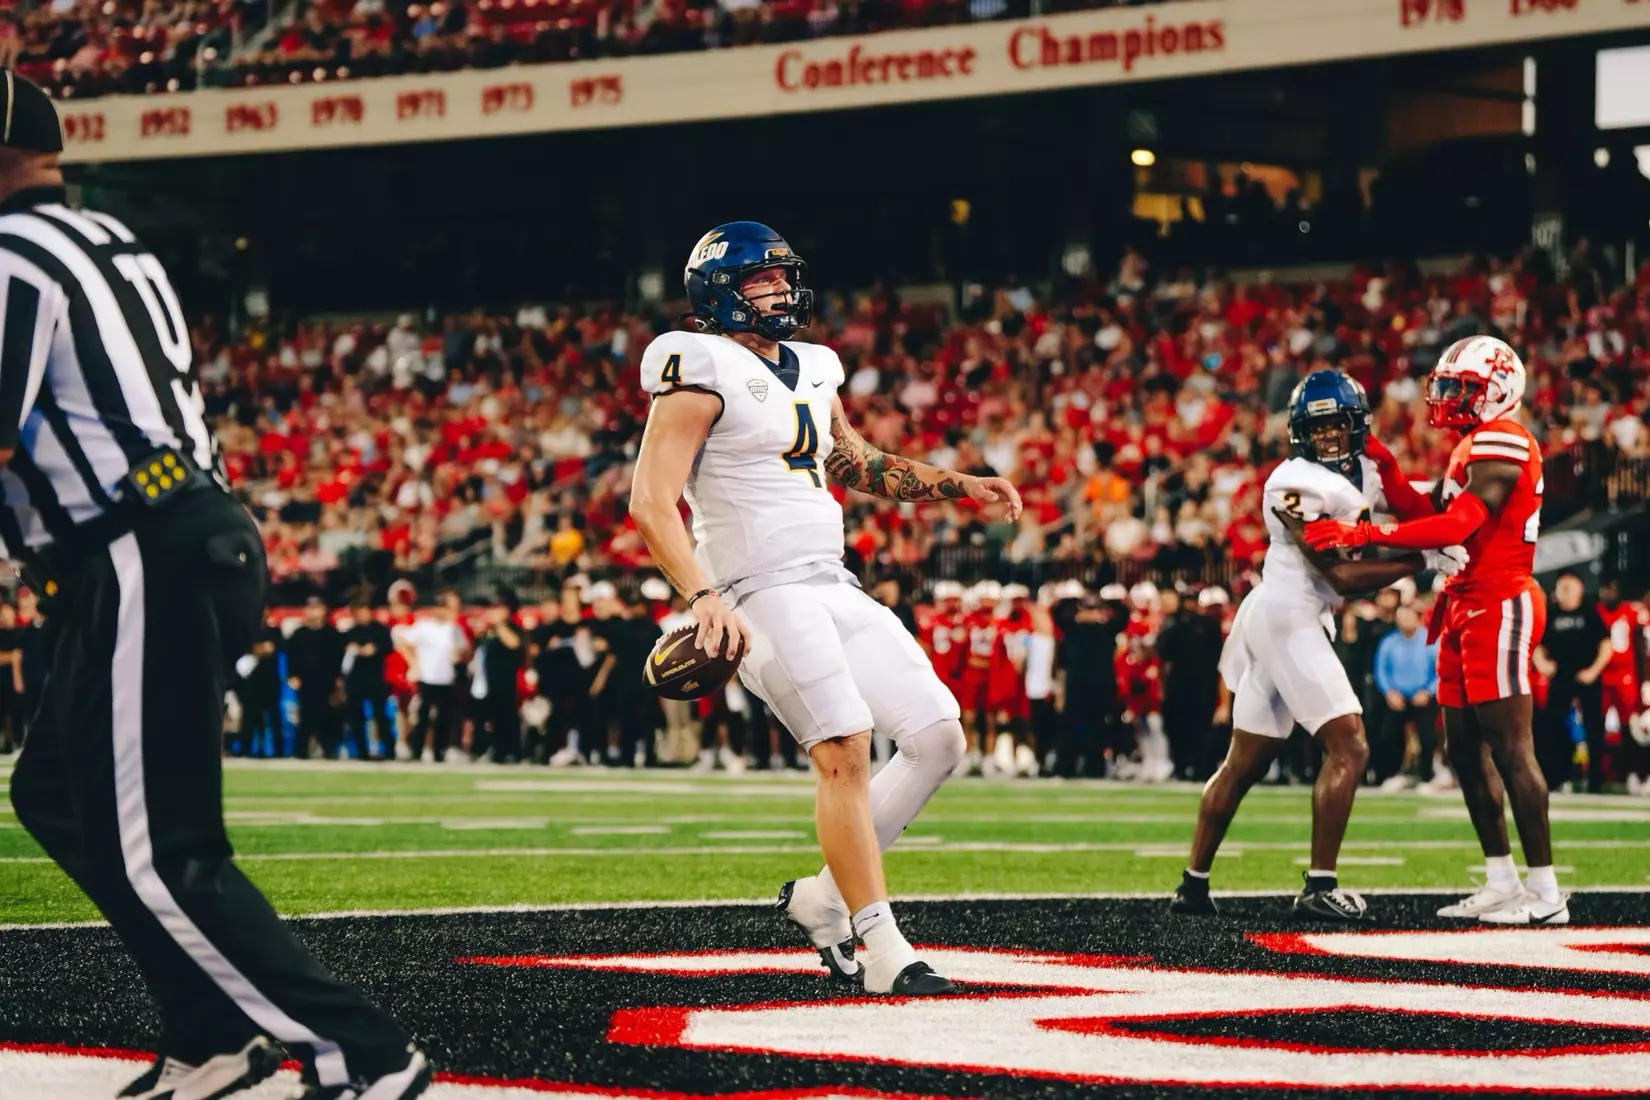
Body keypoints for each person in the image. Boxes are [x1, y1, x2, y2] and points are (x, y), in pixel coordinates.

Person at [0, 70, 428, 1100]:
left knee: (163, 849)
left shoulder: (12, 254)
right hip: (163, 540)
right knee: (52, 790)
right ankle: (211, 1032)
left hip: (136, 544)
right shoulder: (108, 239)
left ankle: (361, 1050)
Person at [628, 222, 1020, 995]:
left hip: (829, 581)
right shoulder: (696, 364)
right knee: (844, 745)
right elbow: (650, 499)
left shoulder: (813, 365)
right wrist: (703, 596)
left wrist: (959, 485)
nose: (781, 290)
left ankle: (823, 899)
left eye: (784, 276)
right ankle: (880, 947)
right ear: (720, 292)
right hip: (756, 589)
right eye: (762, 280)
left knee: (939, 737)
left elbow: (854, 460)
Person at [1176, 371, 1456, 923]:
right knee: (1350, 746)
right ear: (1300, 432)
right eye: (1318, 427)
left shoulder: (1366, 468)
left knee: (1244, 762)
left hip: (1293, 617)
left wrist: (1447, 507)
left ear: (1357, 425)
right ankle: (1320, 886)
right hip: (1287, 613)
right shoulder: (1291, 482)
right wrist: (1420, 560)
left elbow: (1411, 504)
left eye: (1337, 424)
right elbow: (1341, 576)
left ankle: (1192, 885)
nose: (1328, 435)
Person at [1305, 335, 1564, 925]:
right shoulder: (1472, 444)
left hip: (1500, 600)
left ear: (1498, 390)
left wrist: (1365, 533)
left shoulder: (1504, 438)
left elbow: (1458, 524)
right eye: (1446, 385)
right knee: (1464, 750)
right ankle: (1502, 880)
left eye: (1462, 387)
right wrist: (1390, 471)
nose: (1448, 396)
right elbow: (1431, 515)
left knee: (1511, 748)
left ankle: (1546, 893)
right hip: (1463, 601)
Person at [1534, 573, 1612, 792]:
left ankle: (1595, 781)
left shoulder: (1590, 613)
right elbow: (1537, 645)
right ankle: (1556, 778)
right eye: (1562, 586)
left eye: (1570, 586)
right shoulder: (1551, 614)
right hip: (1561, 677)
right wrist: (1543, 665)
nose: (1566, 590)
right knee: (1553, 727)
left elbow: (1607, 646)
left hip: (1586, 677)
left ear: (1580, 589)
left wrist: (1593, 671)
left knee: (1594, 727)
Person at [1157, 585, 1228, 781]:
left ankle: (1202, 768)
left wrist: (1222, 699)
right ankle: (1180, 766)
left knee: (1202, 730)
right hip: (1179, 684)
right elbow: (1164, 657)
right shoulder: (1172, 624)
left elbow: (1219, 661)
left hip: (1203, 684)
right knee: (1178, 727)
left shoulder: (1209, 625)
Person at [395, 589, 468, 763]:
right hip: (427, 678)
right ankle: (417, 750)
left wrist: (459, 656)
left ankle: (438, 751)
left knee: (443, 718)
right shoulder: (424, 626)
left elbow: (465, 650)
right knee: (422, 716)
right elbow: (401, 639)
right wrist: (413, 663)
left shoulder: (454, 629)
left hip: (446, 679)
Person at [1372, 603, 1440, 787]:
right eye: (1401, 617)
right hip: (1397, 697)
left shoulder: (1430, 640)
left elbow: (1440, 671)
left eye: (1409, 617)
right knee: (1388, 736)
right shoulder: (1389, 642)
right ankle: (1392, 775)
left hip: (1424, 696)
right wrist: (1389, 692)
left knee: (1427, 738)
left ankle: (1426, 777)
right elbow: (1380, 670)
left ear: (1417, 618)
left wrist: (1428, 691)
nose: (1405, 621)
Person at [284, 596, 343, 759]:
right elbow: (291, 657)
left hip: (326, 680)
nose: (313, 612)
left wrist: (338, 680)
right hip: (305, 681)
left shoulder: (332, 634)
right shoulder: (298, 634)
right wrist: (292, 675)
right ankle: (301, 751)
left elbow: (338, 658)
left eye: (317, 608)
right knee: (306, 715)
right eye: (310, 608)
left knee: (326, 715)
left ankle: (328, 749)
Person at [471, 594, 526, 764]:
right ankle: (494, 750)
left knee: (508, 716)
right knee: (490, 718)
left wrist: (499, 624)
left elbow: (513, 643)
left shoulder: (513, 627)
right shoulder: (488, 632)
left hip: (506, 681)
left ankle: (512, 751)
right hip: (487, 682)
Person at [342, 597, 393, 760]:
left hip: (375, 678)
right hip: (355, 680)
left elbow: (388, 647)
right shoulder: (350, 633)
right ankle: (361, 751)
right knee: (356, 717)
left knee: (380, 716)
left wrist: (374, 649)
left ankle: (389, 750)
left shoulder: (381, 630)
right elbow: (341, 658)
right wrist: (351, 650)